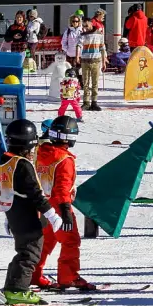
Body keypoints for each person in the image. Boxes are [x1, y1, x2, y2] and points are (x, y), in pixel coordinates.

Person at [0, 118, 52, 305]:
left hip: (14, 213)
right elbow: (35, 193)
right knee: (30, 253)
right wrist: (51, 213)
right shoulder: (23, 165)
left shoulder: (5, 160)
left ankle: (11, 287)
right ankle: (18, 290)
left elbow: (7, 189)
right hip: (26, 216)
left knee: (22, 251)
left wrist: (8, 216)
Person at [33, 115, 91, 291]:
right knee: (70, 241)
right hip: (58, 207)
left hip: (42, 207)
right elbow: (62, 188)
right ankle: (69, 277)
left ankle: (33, 274)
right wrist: (66, 212)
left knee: (45, 242)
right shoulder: (64, 160)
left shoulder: (40, 152)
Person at [77, 18, 106, 112]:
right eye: (83, 26)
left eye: (86, 25)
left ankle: (94, 102)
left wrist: (104, 61)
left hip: (96, 61)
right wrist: (77, 56)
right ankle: (86, 102)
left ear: (91, 23)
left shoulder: (99, 34)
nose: (85, 28)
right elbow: (79, 45)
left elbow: (102, 48)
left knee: (95, 83)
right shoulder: (82, 35)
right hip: (85, 61)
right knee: (85, 83)